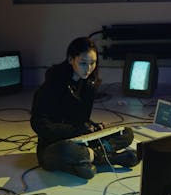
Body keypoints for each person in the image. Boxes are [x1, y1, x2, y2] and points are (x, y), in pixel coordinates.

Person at [30, 37, 140, 179]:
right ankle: (108, 158)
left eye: (92, 63)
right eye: (83, 63)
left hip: (81, 140)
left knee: (126, 132)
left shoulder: (88, 83)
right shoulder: (51, 85)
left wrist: (94, 126)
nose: (88, 69)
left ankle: (89, 157)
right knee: (65, 150)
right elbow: (39, 124)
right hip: (55, 145)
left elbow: (81, 119)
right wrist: (76, 131)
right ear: (71, 60)